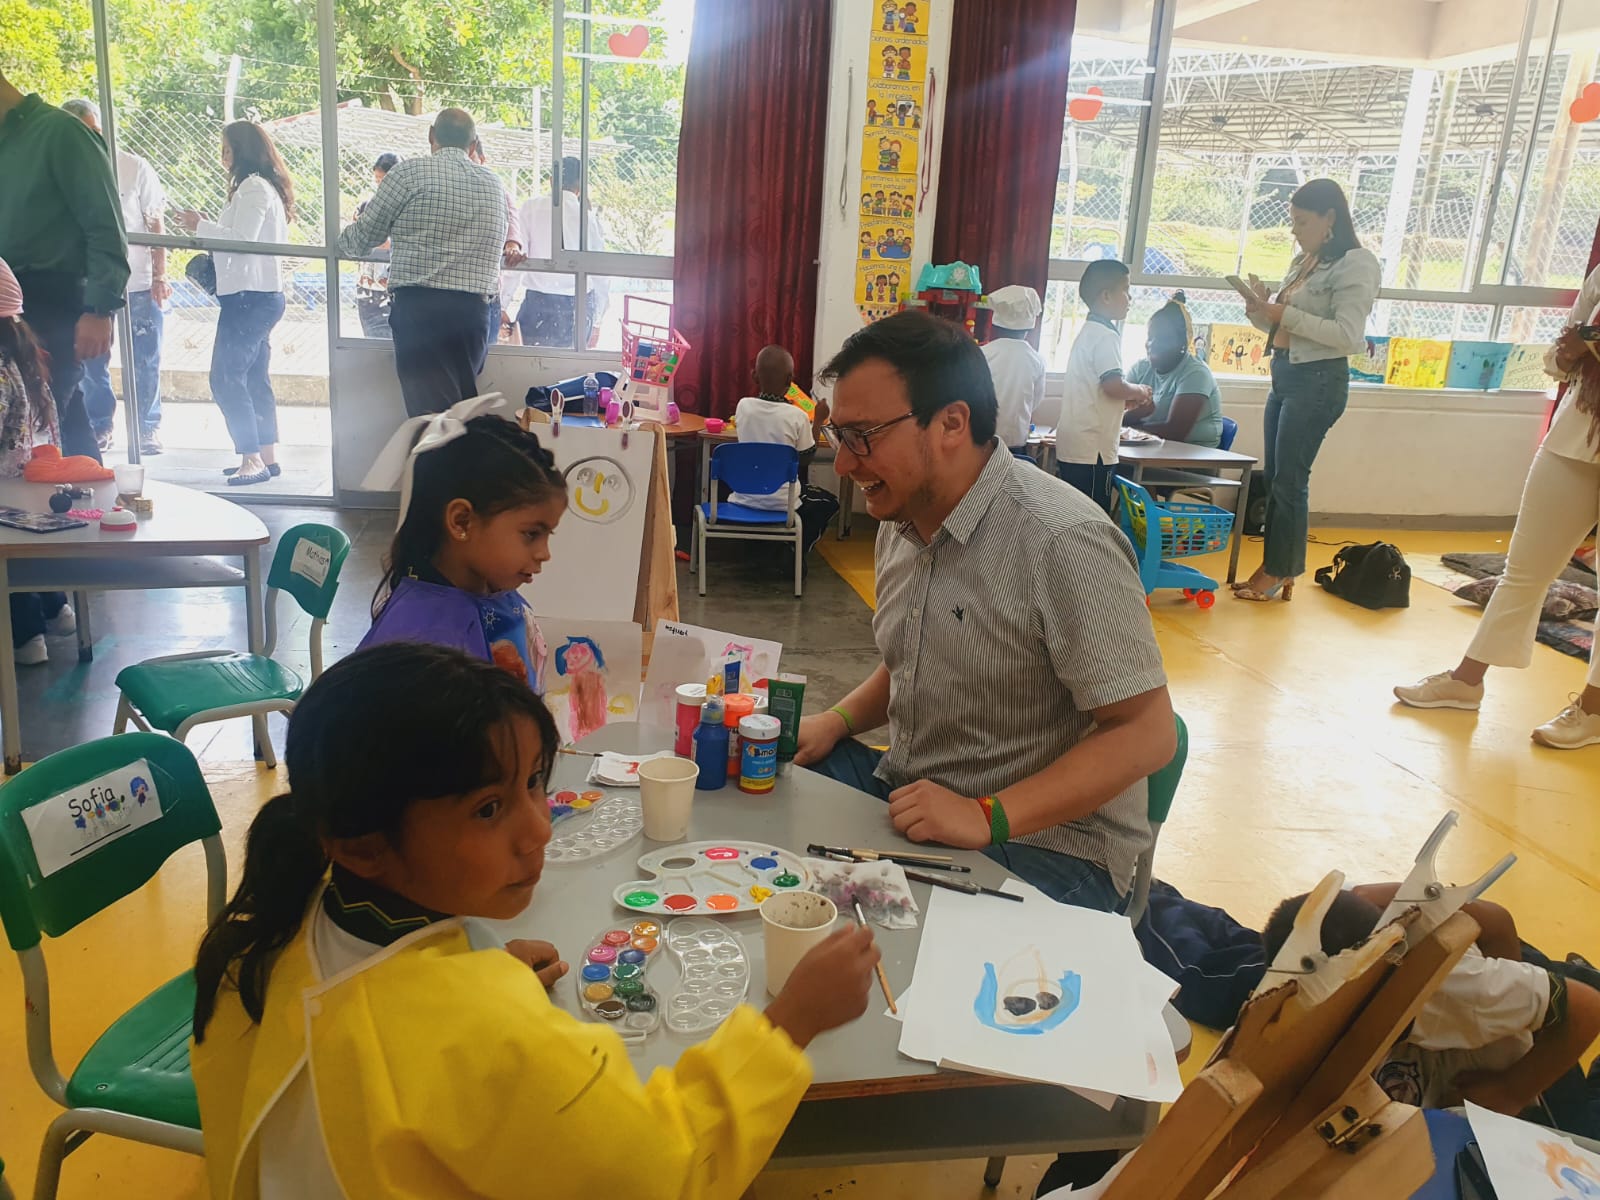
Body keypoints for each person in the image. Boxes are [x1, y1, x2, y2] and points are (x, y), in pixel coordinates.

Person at [190, 642, 882, 1200]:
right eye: (488, 809)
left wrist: (470, 967)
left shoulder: (270, 932)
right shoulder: (486, 1034)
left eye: (532, 785)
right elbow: (661, 1173)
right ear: (364, 845)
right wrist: (789, 1024)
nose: (539, 830)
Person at [793, 311, 1175, 914]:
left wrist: (986, 816)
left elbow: (1147, 733)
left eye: (863, 436)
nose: (843, 463)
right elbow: (915, 656)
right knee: (764, 781)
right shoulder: (904, 519)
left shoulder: (1062, 538)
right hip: (922, 799)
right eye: (840, 435)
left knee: (861, 926)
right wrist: (836, 721)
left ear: (951, 423)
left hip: (1049, 847)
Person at [1393, 260, 1600, 749]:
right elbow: (1558, 358)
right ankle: (1466, 682)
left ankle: (1592, 711)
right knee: (1525, 567)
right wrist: (1569, 352)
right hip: (1575, 433)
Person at [1263, 886, 1600, 1118]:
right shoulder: (1291, 987)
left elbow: (1587, 1009)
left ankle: (1575, 977)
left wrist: (1510, 1091)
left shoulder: (1450, 988)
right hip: (1482, 1001)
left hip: (1539, 1058)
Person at [1234, 178, 1380, 602]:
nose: (1294, 230)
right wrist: (1260, 310)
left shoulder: (1356, 264)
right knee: (1277, 478)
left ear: (1329, 217)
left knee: (1290, 480)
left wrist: (1285, 314)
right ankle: (1278, 567)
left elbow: (1348, 336)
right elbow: (1283, 325)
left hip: (1317, 380)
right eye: (1292, 221)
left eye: (1301, 221)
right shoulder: (1305, 261)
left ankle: (1278, 570)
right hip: (1285, 373)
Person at [358, 396, 567, 688]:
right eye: (531, 534)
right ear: (462, 522)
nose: (544, 554)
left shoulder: (490, 589)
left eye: (548, 534)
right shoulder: (427, 652)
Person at [338, 108, 507, 418]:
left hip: (421, 311)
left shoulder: (408, 174)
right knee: (460, 412)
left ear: (431, 135)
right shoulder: (493, 184)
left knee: (431, 418)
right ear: (473, 145)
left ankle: (438, 452)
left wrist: (336, 245)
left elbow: (364, 236)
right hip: (473, 315)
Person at [0, 68, 128, 463]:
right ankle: (88, 493)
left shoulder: (62, 133)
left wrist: (99, 309)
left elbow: (104, 225)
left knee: (36, 434)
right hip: (8, 309)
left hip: (51, 305)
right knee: (62, 426)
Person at [173, 120, 292, 488]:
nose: (223, 157)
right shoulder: (261, 187)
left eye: (227, 149)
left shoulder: (253, 187)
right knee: (253, 377)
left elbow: (242, 239)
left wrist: (200, 225)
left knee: (225, 378)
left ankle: (251, 458)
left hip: (249, 298)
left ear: (242, 151)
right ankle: (265, 455)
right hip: (258, 296)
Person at [60, 98, 170, 457]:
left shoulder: (133, 167)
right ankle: (100, 425)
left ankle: (147, 427)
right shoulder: (61, 169)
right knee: (93, 362)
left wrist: (160, 275)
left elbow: (155, 221)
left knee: (145, 359)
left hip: (137, 281)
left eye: (94, 130)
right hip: (89, 284)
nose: (89, 138)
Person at [0, 257, 74, 667]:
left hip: (7, 494)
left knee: (9, 566)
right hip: (32, 490)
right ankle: (56, 607)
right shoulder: (23, 357)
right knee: (26, 558)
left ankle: (27, 637)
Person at [725, 345, 841, 556]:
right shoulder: (797, 416)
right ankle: (792, 551)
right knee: (828, 503)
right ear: (790, 380)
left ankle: (763, 548)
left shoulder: (743, 407)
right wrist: (818, 420)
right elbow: (806, 458)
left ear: (754, 376)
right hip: (782, 502)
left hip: (743, 497)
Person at [1058, 259, 1152, 513]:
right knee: (1093, 516)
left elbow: (1098, 392)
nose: (1130, 298)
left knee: (1073, 513)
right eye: (1126, 290)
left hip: (1076, 444)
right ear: (1107, 296)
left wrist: (1124, 401)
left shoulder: (1088, 332)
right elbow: (1112, 385)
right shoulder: (1106, 336)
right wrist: (1140, 391)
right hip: (1093, 450)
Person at [511, 156, 608, 349]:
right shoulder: (588, 219)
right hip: (579, 306)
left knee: (531, 363)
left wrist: (504, 303)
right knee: (571, 366)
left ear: (551, 181)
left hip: (538, 305)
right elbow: (600, 273)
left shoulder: (530, 208)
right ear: (580, 187)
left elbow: (516, 259)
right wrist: (598, 319)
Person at [1123, 292, 1224, 447]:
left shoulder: (1196, 373)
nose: (1152, 344)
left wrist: (1129, 429)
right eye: (1150, 337)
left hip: (1192, 456)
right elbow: (1115, 414)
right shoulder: (1140, 368)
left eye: (1163, 338)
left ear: (1182, 343)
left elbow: (1175, 432)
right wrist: (1131, 417)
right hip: (1150, 452)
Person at [467, 136, 523, 372]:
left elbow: (512, 217)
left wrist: (512, 244)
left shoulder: (495, 187)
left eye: (470, 158)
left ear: (482, 159)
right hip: (454, 289)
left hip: (485, 291)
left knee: (481, 361)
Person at [981, 284, 1046, 459]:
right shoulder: (1036, 360)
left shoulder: (982, 354)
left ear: (996, 321)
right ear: (1030, 325)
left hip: (982, 444)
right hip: (1016, 446)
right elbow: (1035, 400)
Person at [354, 151, 400, 341]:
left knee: (388, 343)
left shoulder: (407, 208)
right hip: (366, 287)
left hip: (391, 289)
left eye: (385, 180)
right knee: (371, 342)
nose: (381, 186)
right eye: (378, 180)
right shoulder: (366, 205)